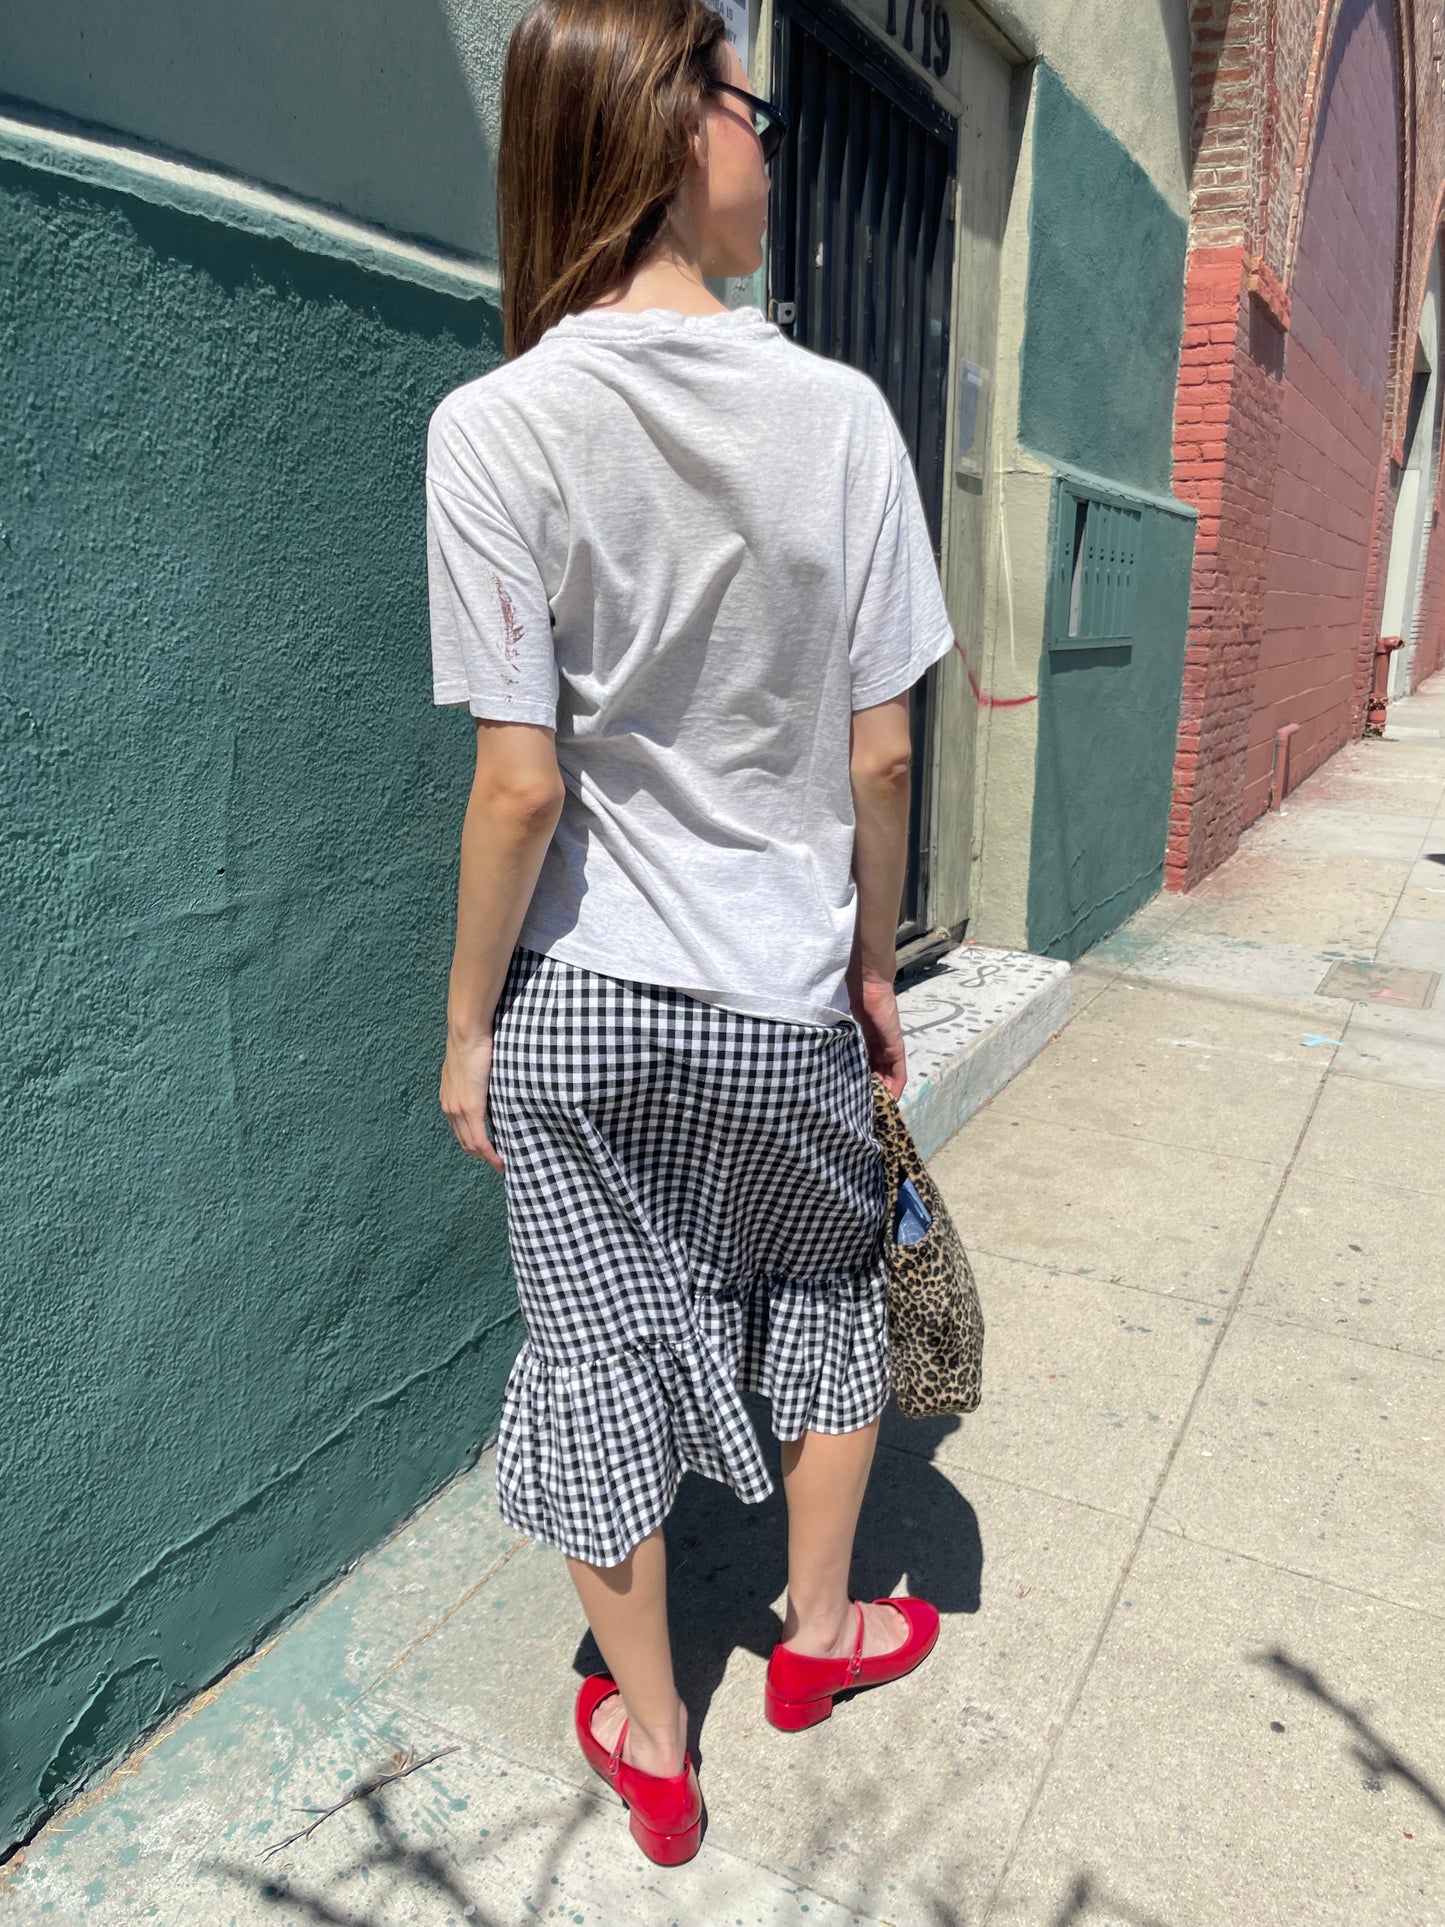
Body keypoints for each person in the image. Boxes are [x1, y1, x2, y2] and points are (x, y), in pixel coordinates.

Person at [426, 0, 954, 1868]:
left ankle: (655, 1745)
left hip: (578, 1000)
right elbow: (880, 753)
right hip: (776, 991)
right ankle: (813, 1645)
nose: (767, 143)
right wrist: (871, 967)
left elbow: (518, 789)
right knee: (818, 1301)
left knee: (590, 1355)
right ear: (664, 126)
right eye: (750, 105)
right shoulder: (842, 419)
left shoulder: (492, 426)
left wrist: (470, 1022)